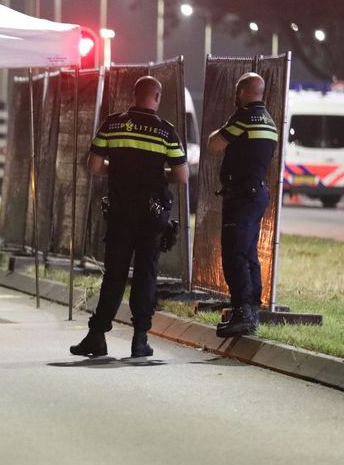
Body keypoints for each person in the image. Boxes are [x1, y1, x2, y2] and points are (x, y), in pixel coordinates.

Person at [71, 76, 188, 359]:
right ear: (157, 97)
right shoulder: (166, 131)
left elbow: (95, 166)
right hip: (152, 213)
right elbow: (182, 176)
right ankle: (140, 339)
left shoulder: (112, 123)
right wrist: (154, 175)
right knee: (146, 273)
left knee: (115, 274)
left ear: (134, 94)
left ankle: (97, 336)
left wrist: (123, 171)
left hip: (122, 211)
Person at [207, 73, 278, 338]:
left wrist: (221, 127)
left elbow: (214, 144)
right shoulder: (269, 121)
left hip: (242, 195)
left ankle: (243, 312)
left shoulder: (243, 117)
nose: (237, 97)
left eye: (239, 91)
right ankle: (250, 310)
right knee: (248, 253)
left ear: (245, 91)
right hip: (257, 193)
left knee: (235, 254)